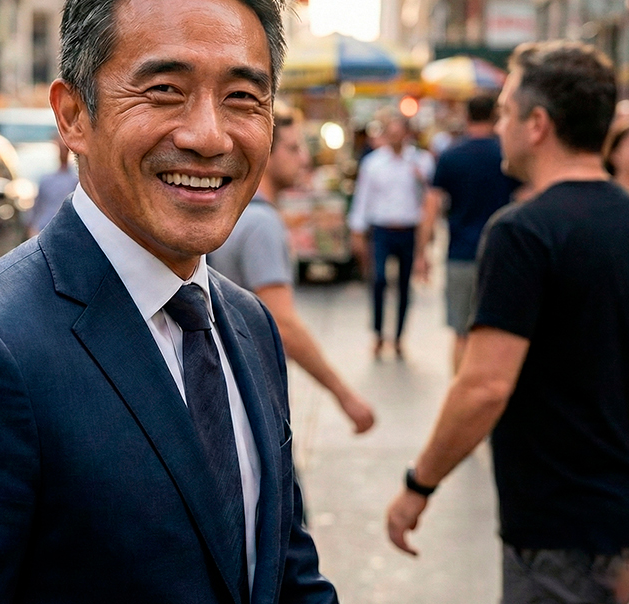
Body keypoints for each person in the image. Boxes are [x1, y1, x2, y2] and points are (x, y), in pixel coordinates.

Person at [0, 0, 338, 604]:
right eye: (164, 90)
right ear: (74, 115)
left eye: (243, 98)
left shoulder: (249, 326)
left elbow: (285, 575)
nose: (208, 135)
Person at [385, 41, 629, 604]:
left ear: (538, 125)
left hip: (560, 528)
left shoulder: (523, 231)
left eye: (507, 111)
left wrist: (419, 484)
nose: (499, 125)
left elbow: (484, 386)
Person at [210, 109, 375, 434]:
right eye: (293, 148)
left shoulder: (234, 210)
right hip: (250, 387)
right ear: (264, 151)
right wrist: (344, 395)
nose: (304, 159)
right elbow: (283, 323)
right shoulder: (262, 223)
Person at [415, 94, 519, 373]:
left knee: (461, 333)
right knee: (499, 334)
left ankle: (460, 386)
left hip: (460, 254)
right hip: (502, 256)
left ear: (467, 116)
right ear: (494, 116)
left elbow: (431, 207)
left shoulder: (451, 155)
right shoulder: (506, 155)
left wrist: (422, 253)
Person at [348, 114, 435, 359]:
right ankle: (378, 332)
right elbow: (363, 198)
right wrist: (357, 230)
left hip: (409, 229)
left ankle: (398, 336)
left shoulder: (421, 161)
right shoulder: (373, 163)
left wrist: (425, 243)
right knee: (378, 279)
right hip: (382, 229)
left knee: (405, 285)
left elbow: (430, 200)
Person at [26, 134, 79, 236]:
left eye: (65, 149)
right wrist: (32, 228)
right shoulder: (46, 179)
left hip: (66, 231)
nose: (62, 153)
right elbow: (37, 207)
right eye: (60, 149)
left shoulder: (76, 180)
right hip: (43, 228)